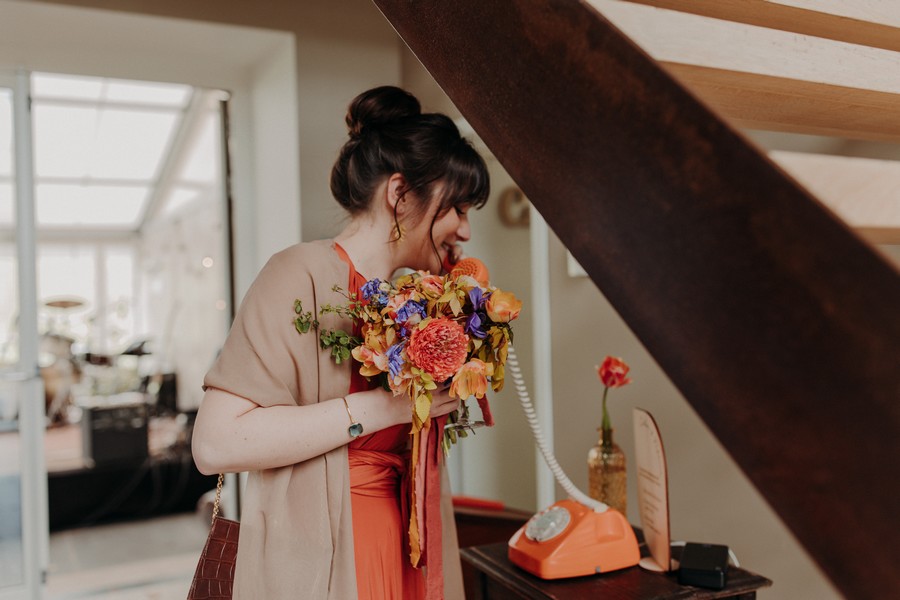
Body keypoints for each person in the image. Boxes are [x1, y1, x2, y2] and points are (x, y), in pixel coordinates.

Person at [191, 85, 490, 599]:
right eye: (456, 208)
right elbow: (215, 443)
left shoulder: (416, 300)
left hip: (408, 545)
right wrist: (382, 408)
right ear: (399, 194)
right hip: (327, 562)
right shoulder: (296, 275)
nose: (464, 229)